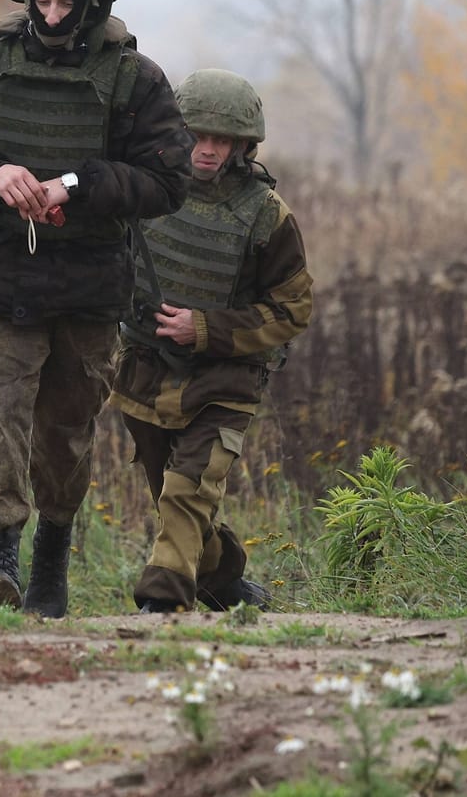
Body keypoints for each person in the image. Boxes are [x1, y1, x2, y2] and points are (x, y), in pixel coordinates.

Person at [0, 0, 191, 617]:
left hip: (92, 281)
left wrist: (79, 184)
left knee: (66, 432)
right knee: (2, 412)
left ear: (93, 3)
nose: (53, 16)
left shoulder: (134, 81)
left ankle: (50, 563)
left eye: (68, 5)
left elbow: (169, 180)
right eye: (43, 2)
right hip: (4, 272)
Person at [112, 69, 313, 613]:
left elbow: (293, 308)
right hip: (146, 372)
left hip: (226, 380)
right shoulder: (146, 189)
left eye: (221, 140)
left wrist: (204, 329)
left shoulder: (267, 217)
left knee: (188, 490)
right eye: (197, 136)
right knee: (175, 500)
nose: (206, 151)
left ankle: (162, 600)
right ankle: (223, 581)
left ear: (243, 146)